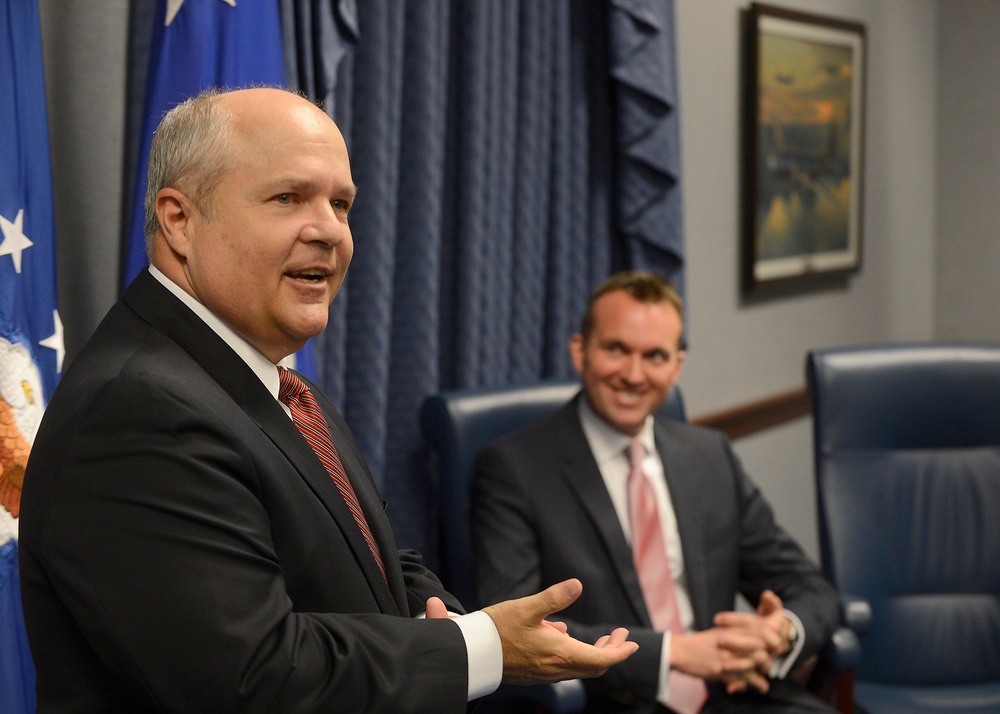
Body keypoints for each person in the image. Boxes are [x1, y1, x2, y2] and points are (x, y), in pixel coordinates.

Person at [17, 87, 638, 713]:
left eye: (341, 204)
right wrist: (480, 647)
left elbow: (358, 552)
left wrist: (459, 619)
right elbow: (255, 679)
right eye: (288, 198)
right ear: (179, 220)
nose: (329, 232)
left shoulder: (275, 380)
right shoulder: (137, 411)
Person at [472, 271, 841, 714]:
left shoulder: (709, 455)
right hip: (615, 700)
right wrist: (676, 653)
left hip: (732, 692)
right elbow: (516, 629)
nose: (633, 374)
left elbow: (811, 589)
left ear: (677, 366)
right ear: (579, 351)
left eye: (655, 356)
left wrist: (778, 632)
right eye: (616, 349)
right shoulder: (514, 469)